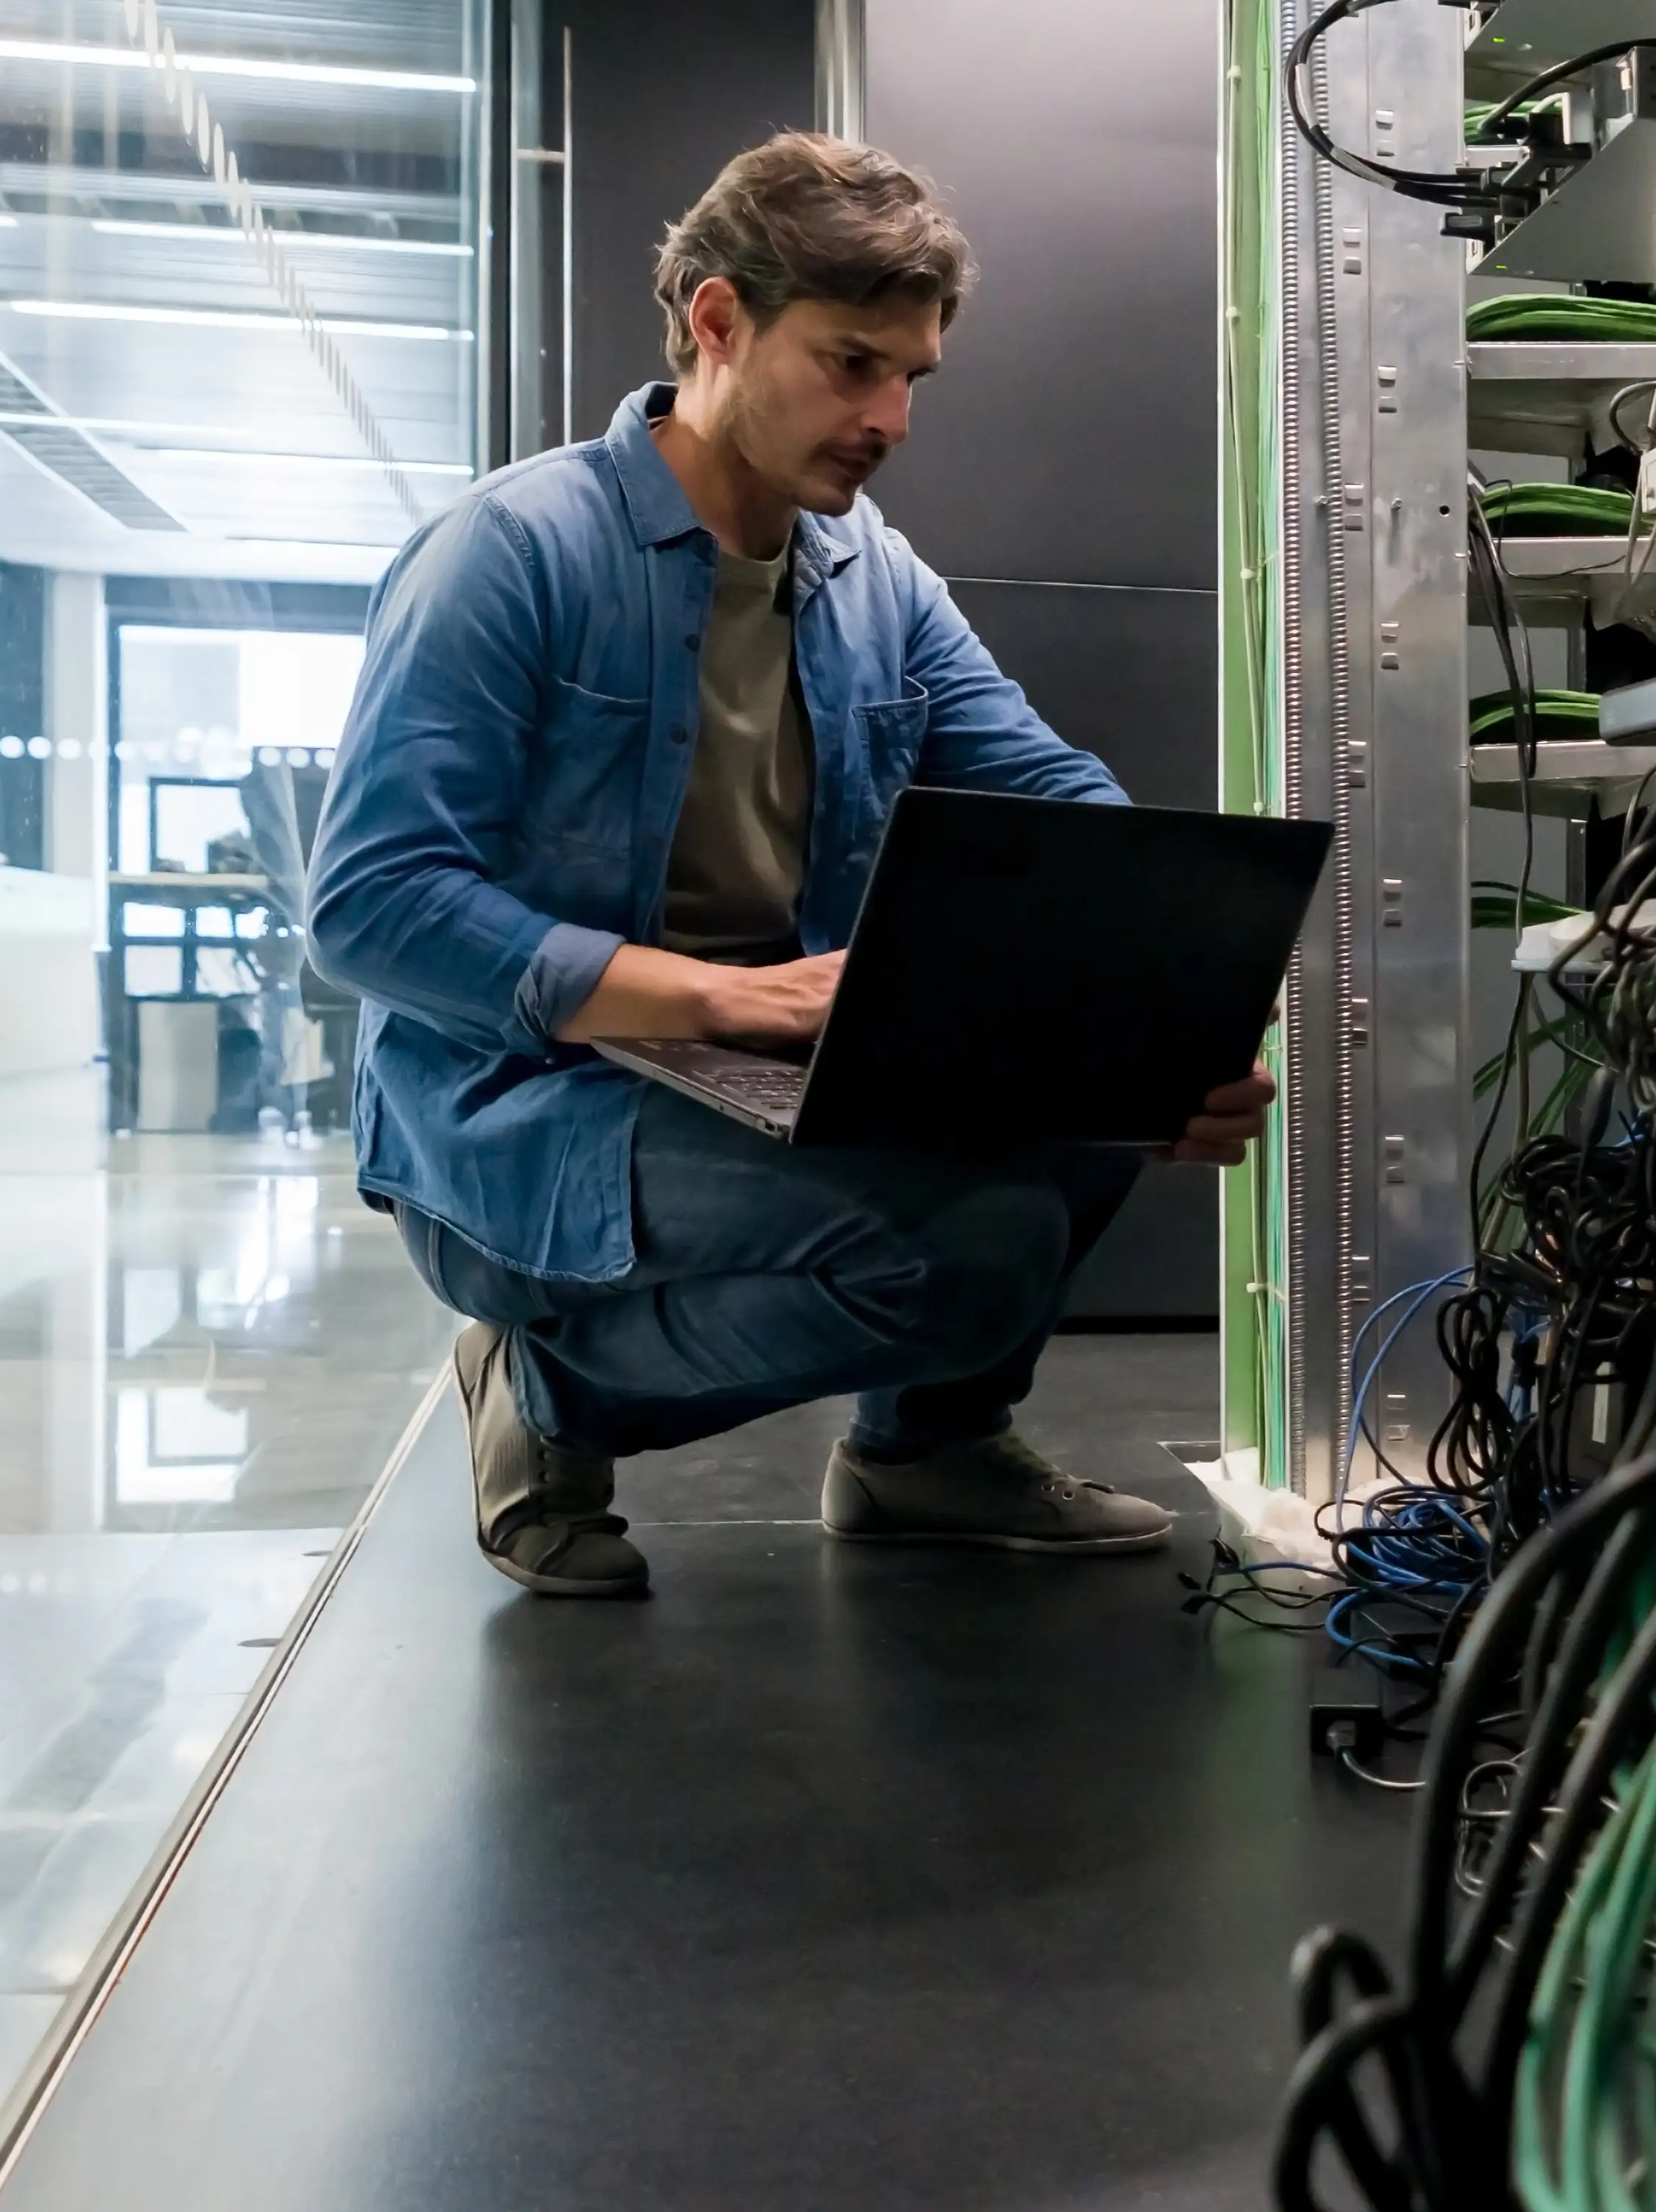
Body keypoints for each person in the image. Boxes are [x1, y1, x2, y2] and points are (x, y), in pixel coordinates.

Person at [306, 132, 1272, 1598]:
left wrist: (1148, 1017)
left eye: (911, 376)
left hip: (765, 1058)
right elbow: (367, 905)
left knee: (1079, 1124)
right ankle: (546, 1391)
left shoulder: (873, 573)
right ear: (715, 322)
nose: (889, 414)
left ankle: (923, 1452)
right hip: (527, 1097)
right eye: (849, 363)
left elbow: (1055, 799)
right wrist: (710, 999)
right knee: (970, 1249)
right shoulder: (511, 552)